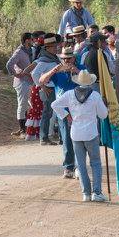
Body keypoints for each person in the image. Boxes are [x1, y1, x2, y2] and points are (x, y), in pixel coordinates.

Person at [51, 69, 109, 202]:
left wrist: (66, 115)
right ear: (90, 82)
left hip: (76, 133)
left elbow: (54, 104)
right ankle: (97, 192)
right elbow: (103, 115)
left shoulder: (70, 94)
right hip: (91, 133)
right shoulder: (95, 95)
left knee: (81, 165)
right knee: (95, 163)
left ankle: (86, 194)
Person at [38, 47, 80, 178]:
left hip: (79, 108)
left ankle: (79, 166)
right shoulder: (57, 71)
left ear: (74, 58)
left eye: (69, 58)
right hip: (63, 109)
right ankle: (68, 167)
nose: (66, 61)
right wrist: (54, 70)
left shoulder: (80, 67)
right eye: (64, 59)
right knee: (67, 138)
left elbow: (89, 80)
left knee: (79, 138)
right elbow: (41, 81)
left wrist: (76, 71)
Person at [31, 33, 63, 145]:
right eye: (54, 47)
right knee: (47, 113)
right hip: (49, 89)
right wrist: (42, 86)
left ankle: (59, 137)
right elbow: (34, 74)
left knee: (57, 112)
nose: (56, 48)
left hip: (56, 88)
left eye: (56, 46)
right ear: (48, 48)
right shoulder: (44, 60)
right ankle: (43, 137)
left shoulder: (53, 58)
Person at [6, 32, 34, 138]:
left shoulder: (29, 50)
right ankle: (22, 130)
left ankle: (27, 128)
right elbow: (9, 64)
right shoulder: (19, 52)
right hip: (22, 82)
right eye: (31, 39)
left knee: (30, 105)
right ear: (27, 40)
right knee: (22, 105)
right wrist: (16, 74)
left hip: (29, 81)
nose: (33, 41)